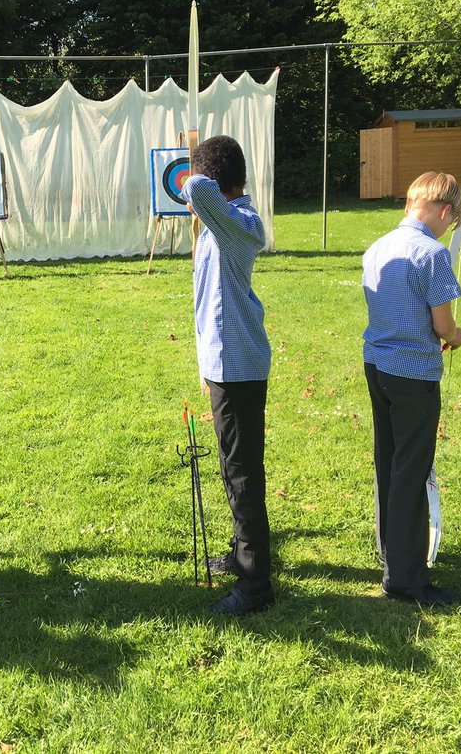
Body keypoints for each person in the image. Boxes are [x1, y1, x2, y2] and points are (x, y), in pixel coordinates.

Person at [361, 171, 461, 608]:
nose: (448, 231)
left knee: (389, 461)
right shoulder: (432, 253)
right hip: (414, 374)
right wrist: (455, 335)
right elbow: (442, 323)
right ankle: (405, 578)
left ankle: (393, 553)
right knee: (411, 470)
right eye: (451, 223)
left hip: (378, 365)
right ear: (444, 212)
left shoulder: (378, 245)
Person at [182, 135, 274, 615]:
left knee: (241, 472)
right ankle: (244, 555)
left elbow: (195, 186)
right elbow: (205, 301)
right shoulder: (223, 223)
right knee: (232, 464)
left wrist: (196, 153)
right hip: (225, 363)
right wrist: (204, 362)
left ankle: (256, 586)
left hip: (239, 367)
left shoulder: (238, 222)